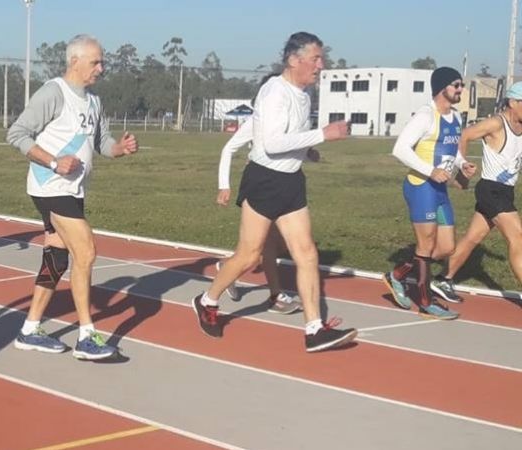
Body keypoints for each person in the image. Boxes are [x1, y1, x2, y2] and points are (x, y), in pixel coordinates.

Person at [192, 32, 357, 353]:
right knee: (249, 255)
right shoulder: (274, 92)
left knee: (307, 253)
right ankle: (207, 300)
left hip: (292, 182)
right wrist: (322, 134)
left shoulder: (304, 95)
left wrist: (308, 150)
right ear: (295, 60)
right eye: (316, 59)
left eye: (322, 59)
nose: (321, 66)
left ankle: (314, 330)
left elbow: (291, 137)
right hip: (265, 180)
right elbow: (271, 143)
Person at [6, 34, 138, 360]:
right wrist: (53, 161)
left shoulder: (93, 100)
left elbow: (102, 142)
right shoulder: (54, 92)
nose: (101, 68)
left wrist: (119, 149)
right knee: (87, 251)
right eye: (95, 62)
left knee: (58, 258)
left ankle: (30, 329)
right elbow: (16, 134)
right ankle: (86, 336)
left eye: (102, 62)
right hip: (50, 186)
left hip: (73, 189)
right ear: (74, 61)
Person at [383, 67, 476, 319]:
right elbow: (399, 149)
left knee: (446, 247)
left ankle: (398, 275)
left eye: (461, 85)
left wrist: (461, 164)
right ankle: (425, 302)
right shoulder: (426, 116)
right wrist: (430, 170)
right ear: (442, 88)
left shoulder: (455, 117)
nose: (460, 89)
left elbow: (450, 149)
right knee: (425, 245)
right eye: (456, 85)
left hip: (439, 190)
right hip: (420, 186)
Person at [215, 74, 303, 314]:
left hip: (283, 186)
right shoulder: (256, 122)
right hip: (260, 186)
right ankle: (275, 296)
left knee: (270, 246)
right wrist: (224, 185)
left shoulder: (288, 117)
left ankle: (227, 266)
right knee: (264, 248)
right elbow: (229, 148)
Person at [432, 82, 522, 296]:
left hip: (505, 191)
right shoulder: (496, 124)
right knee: (518, 238)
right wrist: (461, 170)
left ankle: (443, 279)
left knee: (473, 237)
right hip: (491, 190)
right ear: (513, 102)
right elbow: (464, 135)